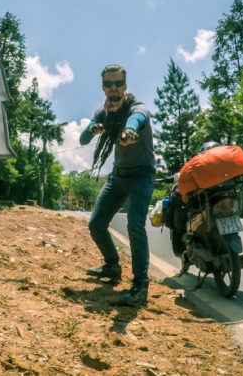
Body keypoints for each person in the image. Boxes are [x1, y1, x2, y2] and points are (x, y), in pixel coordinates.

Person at [79, 64, 155, 307]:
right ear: (103, 87)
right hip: (118, 176)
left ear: (125, 86)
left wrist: (130, 129)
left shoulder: (137, 107)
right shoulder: (103, 112)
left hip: (142, 176)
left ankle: (140, 286)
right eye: (109, 84)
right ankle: (112, 266)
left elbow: (138, 118)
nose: (114, 88)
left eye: (118, 83)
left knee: (135, 226)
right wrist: (92, 130)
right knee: (96, 224)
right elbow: (82, 138)